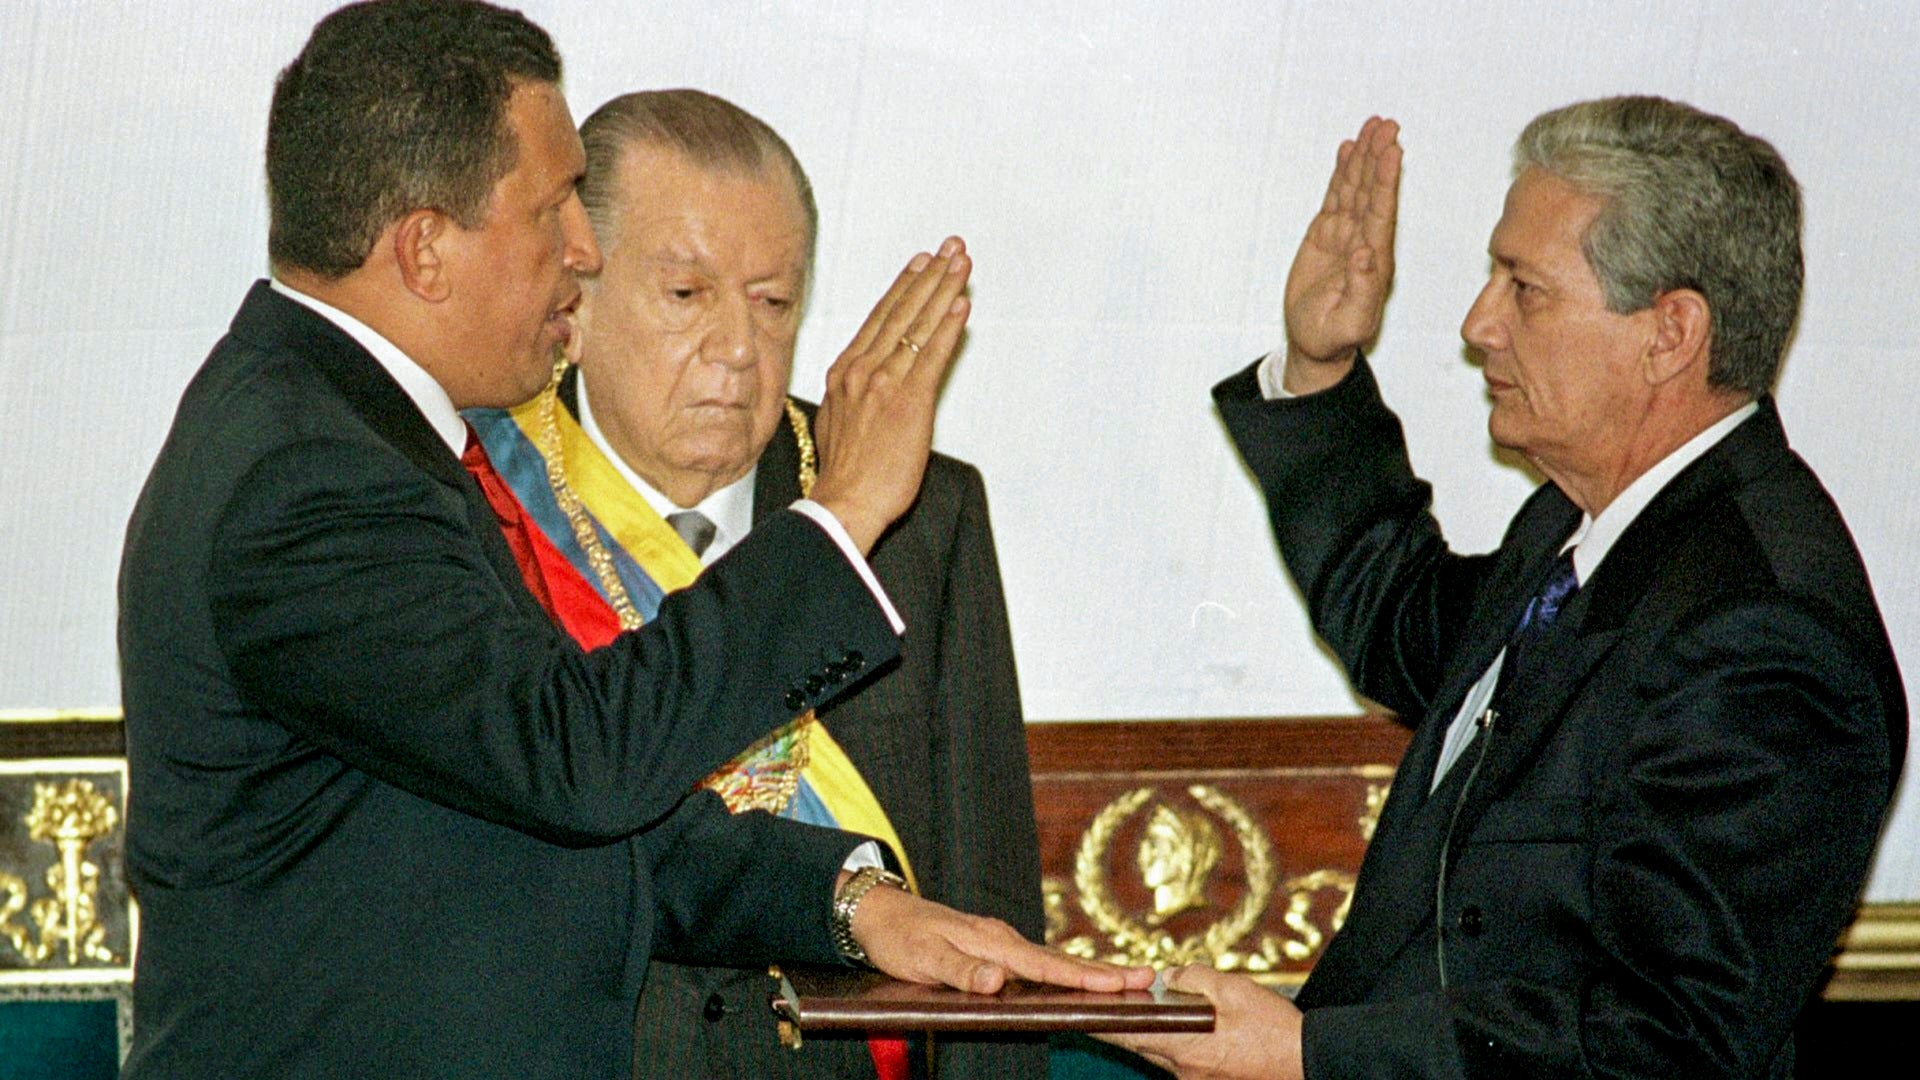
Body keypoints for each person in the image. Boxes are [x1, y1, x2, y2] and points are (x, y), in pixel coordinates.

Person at [115, 3, 1145, 1078]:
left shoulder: (357, 432)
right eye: (553, 203)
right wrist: (841, 513)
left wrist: (851, 906)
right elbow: (575, 759)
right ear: (425, 248)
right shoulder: (306, 473)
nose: (582, 247)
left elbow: (534, 804)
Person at [1103, 98, 1906, 1078]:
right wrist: (1319, 364)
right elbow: (1402, 625)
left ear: (1669, 332)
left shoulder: (1761, 631)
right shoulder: (1589, 525)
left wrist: (1312, 1054)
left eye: (1525, 289)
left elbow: (1671, 1044)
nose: (1478, 324)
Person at [462, 88, 1047, 1080]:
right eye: (687, 296)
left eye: (774, 301)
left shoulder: (920, 513)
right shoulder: (480, 498)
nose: (739, 347)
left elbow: (981, 887)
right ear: (577, 299)